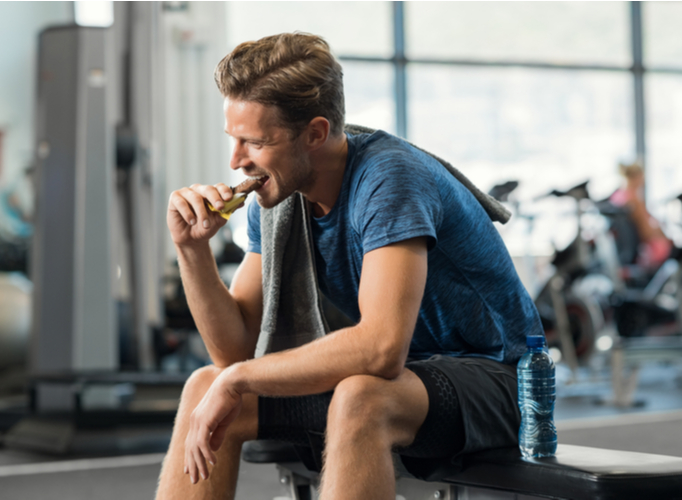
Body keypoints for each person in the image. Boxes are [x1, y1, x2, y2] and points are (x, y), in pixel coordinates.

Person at [156, 33, 543, 500]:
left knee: (362, 397)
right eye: (234, 139)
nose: (237, 161)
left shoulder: (391, 178)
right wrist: (191, 250)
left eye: (254, 142)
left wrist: (238, 378)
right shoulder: (276, 195)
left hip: (504, 381)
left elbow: (380, 350)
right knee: (205, 384)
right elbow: (233, 352)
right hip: (409, 378)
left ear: (316, 133)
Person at [609, 161, 672, 270]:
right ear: (638, 177)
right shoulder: (634, 201)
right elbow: (645, 233)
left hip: (623, 250)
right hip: (644, 251)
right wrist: (665, 237)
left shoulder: (617, 196)